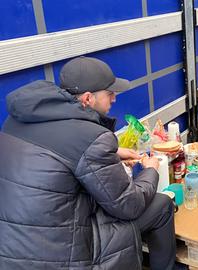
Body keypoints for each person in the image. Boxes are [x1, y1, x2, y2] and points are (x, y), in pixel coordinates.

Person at [0, 56, 176, 270]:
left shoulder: (17, 120)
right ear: (87, 99)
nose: (114, 100)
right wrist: (150, 170)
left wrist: (112, 152)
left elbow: (60, 160)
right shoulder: (90, 137)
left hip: (12, 249)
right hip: (64, 255)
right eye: (110, 94)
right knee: (162, 204)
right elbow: (129, 205)